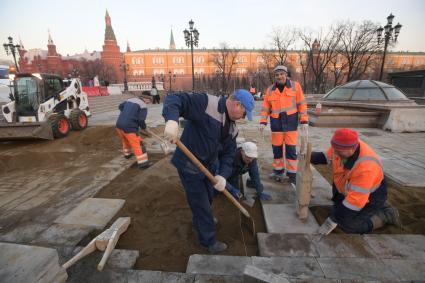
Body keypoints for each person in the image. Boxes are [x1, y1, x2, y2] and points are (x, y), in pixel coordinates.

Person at [162, 89, 254, 254]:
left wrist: (222, 176)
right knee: (201, 203)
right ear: (237, 104)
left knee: (209, 197)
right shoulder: (206, 103)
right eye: (244, 112)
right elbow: (174, 99)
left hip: (208, 166)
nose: (244, 117)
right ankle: (209, 241)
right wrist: (171, 121)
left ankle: (202, 220)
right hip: (189, 165)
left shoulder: (232, 129)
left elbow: (228, 155)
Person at [311, 128, 401, 235]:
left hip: (371, 196)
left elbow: (354, 202)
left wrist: (335, 219)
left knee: (347, 225)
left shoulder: (365, 167)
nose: (335, 152)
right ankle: (378, 206)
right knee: (338, 210)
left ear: (352, 148)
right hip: (353, 190)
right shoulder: (341, 145)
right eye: (334, 149)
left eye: (339, 151)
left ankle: (387, 215)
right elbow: (326, 157)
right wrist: (308, 156)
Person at [259, 65, 308, 184]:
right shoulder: (270, 90)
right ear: (274, 77)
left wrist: (304, 120)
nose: (279, 76)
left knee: (291, 149)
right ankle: (278, 171)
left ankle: (292, 174)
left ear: (286, 75)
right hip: (276, 124)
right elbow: (266, 107)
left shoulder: (295, 86)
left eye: (281, 74)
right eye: (277, 75)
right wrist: (263, 121)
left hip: (291, 123)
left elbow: (302, 103)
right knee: (277, 149)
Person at [116, 96, 152, 169]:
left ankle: (127, 154)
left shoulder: (130, 99)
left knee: (125, 140)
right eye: (149, 101)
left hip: (119, 125)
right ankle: (143, 164)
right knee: (138, 144)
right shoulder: (143, 106)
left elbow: (120, 106)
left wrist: (127, 114)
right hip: (130, 127)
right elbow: (141, 120)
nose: (148, 103)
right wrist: (144, 128)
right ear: (146, 98)